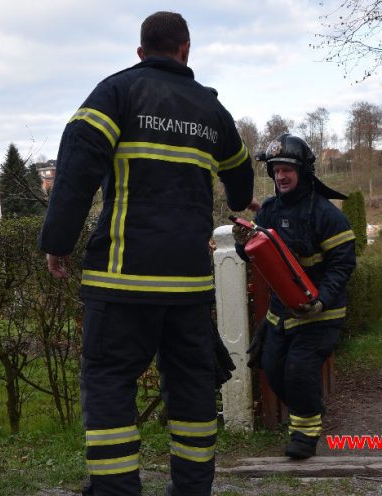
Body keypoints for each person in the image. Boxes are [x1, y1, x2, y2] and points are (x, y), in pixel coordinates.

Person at [39, 11, 255, 496]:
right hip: (189, 288)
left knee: (111, 385)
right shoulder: (211, 108)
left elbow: (77, 164)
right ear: (186, 50)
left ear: (141, 52)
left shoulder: (116, 92)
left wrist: (57, 242)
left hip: (121, 283)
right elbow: (240, 180)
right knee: (194, 393)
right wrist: (239, 198)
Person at [234, 133, 356, 459]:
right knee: (273, 370)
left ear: (303, 171)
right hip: (281, 315)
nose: (281, 176)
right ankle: (309, 409)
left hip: (319, 315)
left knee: (299, 370)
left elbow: (342, 265)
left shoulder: (327, 215)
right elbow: (254, 254)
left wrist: (322, 300)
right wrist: (241, 241)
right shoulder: (270, 210)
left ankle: (305, 435)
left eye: (287, 169)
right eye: (275, 170)